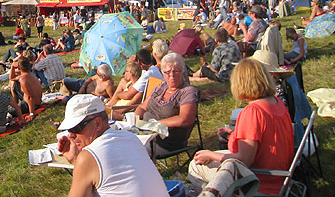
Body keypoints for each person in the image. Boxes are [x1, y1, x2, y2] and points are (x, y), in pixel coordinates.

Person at [189, 58, 294, 195]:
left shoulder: (253, 112)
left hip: (261, 180)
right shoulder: (276, 102)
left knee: (195, 166)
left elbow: (245, 160)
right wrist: (234, 134)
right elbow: (263, 139)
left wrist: (211, 155)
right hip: (279, 172)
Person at [57, 94, 169, 197]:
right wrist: (76, 159)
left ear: (97, 123)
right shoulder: (131, 138)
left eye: (76, 129)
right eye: (69, 130)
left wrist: (78, 160)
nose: (71, 135)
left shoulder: (88, 157)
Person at [135, 53, 198, 155]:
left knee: (131, 149)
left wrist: (155, 124)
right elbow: (142, 106)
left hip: (166, 142)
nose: (171, 76)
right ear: (162, 73)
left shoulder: (187, 91)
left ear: (182, 72)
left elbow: (185, 120)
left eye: (176, 71)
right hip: (145, 133)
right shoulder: (160, 88)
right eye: (167, 72)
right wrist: (135, 120)